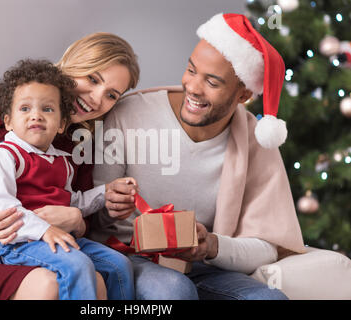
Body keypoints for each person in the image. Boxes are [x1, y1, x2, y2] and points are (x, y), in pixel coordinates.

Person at [88, 13, 306, 300]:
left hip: (203, 266)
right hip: (131, 256)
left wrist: (212, 245)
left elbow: (268, 245)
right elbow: (95, 217)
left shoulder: (255, 140)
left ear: (243, 95)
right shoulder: (129, 114)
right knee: (172, 291)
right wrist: (111, 203)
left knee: (270, 299)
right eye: (191, 70)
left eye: (212, 83)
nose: (193, 87)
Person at [0, 32, 140, 300]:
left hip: (45, 251)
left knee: (99, 280)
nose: (96, 98)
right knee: (51, 284)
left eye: (111, 95)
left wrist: (81, 219)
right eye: (92, 79)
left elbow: (80, 212)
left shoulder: (79, 142)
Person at [0, 59, 135, 300]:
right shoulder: (7, 155)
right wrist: (44, 230)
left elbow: (72, 204)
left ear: (62, 123)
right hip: (21, 242)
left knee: (119, 265)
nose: (36, 116)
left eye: (47, 109)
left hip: (61, 237)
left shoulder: (63, 161)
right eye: (25, 109)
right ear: (8, 121)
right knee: (77, 266)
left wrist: (105, 192)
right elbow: (2, 207)